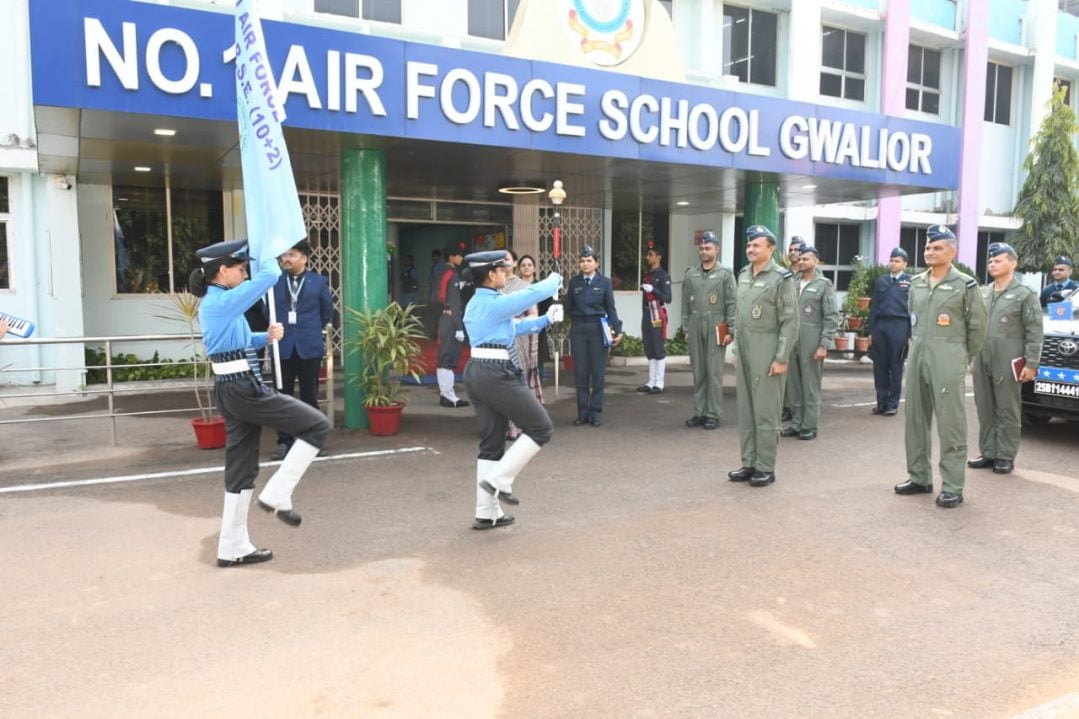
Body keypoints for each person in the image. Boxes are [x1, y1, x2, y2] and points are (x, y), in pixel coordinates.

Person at [189, 240, 330, 568]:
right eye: (239, 268)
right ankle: (278, 493)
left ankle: (231, 546)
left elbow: (232, 340)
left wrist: (263, 338)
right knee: (317, 425)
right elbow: (268, 277)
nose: (244, 272)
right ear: (222, 270)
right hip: (241, 387)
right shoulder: (220, 301)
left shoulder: (219, 303)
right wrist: (272, 244)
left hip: (231, 385)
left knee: (240, 468)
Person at [461, 250, 563, 529]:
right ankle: (499, 481)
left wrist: (546, 320)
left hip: (478, 371)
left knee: (491, 443)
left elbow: (513, 329)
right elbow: (529, 296)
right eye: (503, 271)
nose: (507, 274)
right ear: (491, 275)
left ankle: (486, 512)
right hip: (495, 372)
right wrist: (554, 280)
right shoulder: (494, 303)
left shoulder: (479, 304)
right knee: (541, 427)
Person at [895, 224, 987, 508]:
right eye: (927, 248)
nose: (930, 252)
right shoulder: (917, 282)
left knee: (951, 422)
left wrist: (962, 356)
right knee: (915, 419)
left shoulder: (966, 284)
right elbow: (913, 319)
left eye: (937, 248)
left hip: (948, 356)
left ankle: (952, 484)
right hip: (919, 354)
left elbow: (978, 327)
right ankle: (920, 476)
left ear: (952, 251)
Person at [728, 225, 798, 487]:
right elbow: (739, 316)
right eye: (749, 245)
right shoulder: (744, 274)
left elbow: (790, 321)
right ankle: (749, 462)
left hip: (767, 350)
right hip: (745, 349)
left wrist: (781, 357)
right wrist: (736, 348)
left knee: (766, 411)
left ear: (770, 248)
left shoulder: (781, 278)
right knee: (746, 410)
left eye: (756, 245)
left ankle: (766, 466)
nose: (750, 249)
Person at [968, 243, 1043, 475]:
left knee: (1008, 408)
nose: (992, 264)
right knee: (985, 406)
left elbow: (1034, 330)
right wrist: (971, 356)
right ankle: (988, 451)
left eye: (998, 260)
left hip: (1009, 359)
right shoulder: (983, 292)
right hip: (982, 357)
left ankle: (1005, 455)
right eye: (990, 261)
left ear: (1013, 263)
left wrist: (1031, 363)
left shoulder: (1024, 295)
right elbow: (974, 326)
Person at [266, 241, 334, 461]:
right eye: (284, 255)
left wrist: (309, 330)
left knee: (309, 397)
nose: (286, 258)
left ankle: (311, 443)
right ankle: (284, 442)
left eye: (292, 254)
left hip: (309, 347)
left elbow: (327, 312)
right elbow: (267, 311)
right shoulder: (273, 282)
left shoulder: (318, 282)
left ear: (304, 258)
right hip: (281, 347)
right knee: (281, 398)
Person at [781, 245, 839, 441]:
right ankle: (797, 423)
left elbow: (831, 316)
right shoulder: (792, 282)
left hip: (812, 339)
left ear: (816, 261)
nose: (801, 261)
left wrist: (824, 344)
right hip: (792, 339)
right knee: (794, 384)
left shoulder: (824, 284)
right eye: (801, 258)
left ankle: (810, 425)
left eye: (806, 259)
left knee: (810, 384)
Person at [682, 231, 736, 429]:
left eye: (708, 248)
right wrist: (686, 327)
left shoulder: (725, 274)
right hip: (696, 323)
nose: (704, 251)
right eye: (702, 248)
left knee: (714, 371)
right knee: (699, 371)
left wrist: (731, 329)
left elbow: (732, 303)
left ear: (717, 249)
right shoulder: (691, 273)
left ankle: (712, 413)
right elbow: (685, 303)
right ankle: (699, 411)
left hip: (717, 325)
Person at [564, 245, 623, 426]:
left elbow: (610, 308)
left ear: (596, 263)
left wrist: (617, 329)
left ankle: (595, 412)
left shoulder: (604, 282)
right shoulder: (574, 283)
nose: (585, 263)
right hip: (579, 328)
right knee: (580, 373)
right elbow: (568, 308)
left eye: (589, 260)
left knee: (597, 373)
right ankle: (583, 413)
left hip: (598, 328)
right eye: (582, 260)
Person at [867, 247, 913, 416]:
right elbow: (874, 307)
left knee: (896, 366)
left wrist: (910, 334)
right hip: (881, 326)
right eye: (891, 260)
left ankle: (892, 404)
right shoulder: (882, 281)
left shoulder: (910, 282)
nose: (893, 264)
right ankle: (881, 403)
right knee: (879, 367)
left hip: (899, 326)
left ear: (905, 264)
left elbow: (913, 310)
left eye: (897, 261)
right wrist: (871, 331)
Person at [505, 252, 545, 405]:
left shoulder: (523, 287)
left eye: (507, 259)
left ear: (514, 263)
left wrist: (517, 321)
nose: (503, 262)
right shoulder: (492, 285)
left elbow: (533, 314)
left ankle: (519, 421)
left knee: (517, 378)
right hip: (498, 340)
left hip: (518, 338)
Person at [434, 247, 471, 408]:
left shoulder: (443, 271)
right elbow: (453, 302)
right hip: (451, 319)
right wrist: (459, 326)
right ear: (451, 256)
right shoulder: (452, 274)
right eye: (459, 255)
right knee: (447, 358)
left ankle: (446, 394)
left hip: (445, 317)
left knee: (445, 356)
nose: (461, 258)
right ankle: (448, 396)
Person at [637, 243, 673, 394]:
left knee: (658, 348)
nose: (648, 257)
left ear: (659, 257)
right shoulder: (648, 274)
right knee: (649, 348)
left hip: (657, 312)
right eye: (647, 254)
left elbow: (668, 297)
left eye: (651, 254)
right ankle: (651, 381)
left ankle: (659, 382)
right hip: (647, 313)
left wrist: (654, 289)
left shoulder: (662, 275)